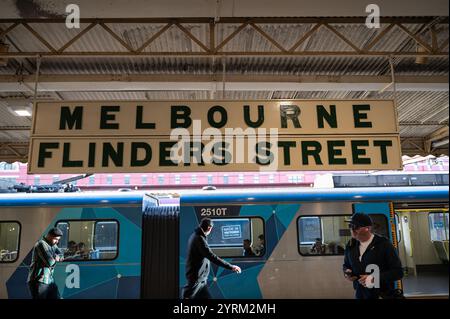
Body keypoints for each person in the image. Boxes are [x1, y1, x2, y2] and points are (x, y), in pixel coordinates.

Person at [343, 213, 404, 299]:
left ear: (368, 228)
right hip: (360, 294)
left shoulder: (384, 244)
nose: (352, 230)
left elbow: (398, 272)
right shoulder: (350, 246)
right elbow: (346, 265)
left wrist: (374, 278)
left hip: (382, 294)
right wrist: (347, 273)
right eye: (350, 226)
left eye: (356, 227)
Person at [182, 218, 241, 299]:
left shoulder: (196, 236)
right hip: (197, 279)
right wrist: (231, 266)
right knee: (187, 296)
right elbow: (212, 257)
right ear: (209, 228)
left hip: (201, 279)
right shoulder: (199, 239)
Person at [27, 227, 64, 299]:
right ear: (49, 236)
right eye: (56, 239)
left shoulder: (53, 245)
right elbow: (49, 262)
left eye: (58, 240)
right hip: (38, 280)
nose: (57, 242)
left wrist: (57, 257)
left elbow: (61, 254)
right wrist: (56, 257)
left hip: (49, 280)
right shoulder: (41, 244)